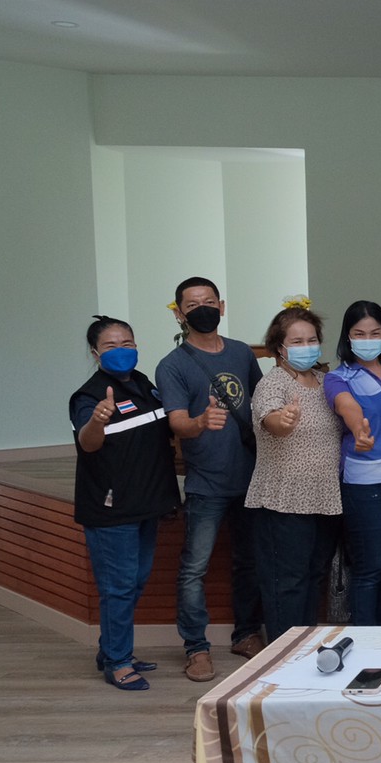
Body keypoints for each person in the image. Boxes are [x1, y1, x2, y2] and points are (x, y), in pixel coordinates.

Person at [156, 276, 265, 683]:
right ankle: (196, 648)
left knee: (249, 561)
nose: (202, 309)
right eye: (192, 304)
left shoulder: (241, 353)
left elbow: (261, 402)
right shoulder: (172, 365)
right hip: (206, 484)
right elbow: (177, 423)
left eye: (208, 301)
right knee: (194, 568)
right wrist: (200, 421)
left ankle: (246, 633)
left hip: (252, 478)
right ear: (179, 314)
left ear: (221, 306)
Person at [72, 316, 179, 691]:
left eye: (127, 343)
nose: (121, 351)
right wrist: (97, 421)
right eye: (111, 345)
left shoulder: (144, 384)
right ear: (95, 353)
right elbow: (88, 443)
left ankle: (111, 651)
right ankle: (118, 662)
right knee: (117, 587)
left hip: (146, 502)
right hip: (111, 508)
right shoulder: (89, 396)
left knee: (134, 583)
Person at [245, 305, 341, 643]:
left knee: (314, 576)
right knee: (287, 582)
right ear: (279, 347)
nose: (306, 347)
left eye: (312, 340)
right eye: (297, 341)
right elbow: (271, 420)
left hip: (324, 499)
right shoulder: (273, 383)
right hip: (283, 500)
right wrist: (283, 421)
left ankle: (304, 648)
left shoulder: (327, 382)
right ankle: (282, 654)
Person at [326, 301, 381, 626]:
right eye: (359, 333)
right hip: (365, 487)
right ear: (347, 337)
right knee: (370, 569)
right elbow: (347, 406)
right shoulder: (338, 377)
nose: (368, 339)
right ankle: (364, 641)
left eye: (375, 333)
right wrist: (358, 430)